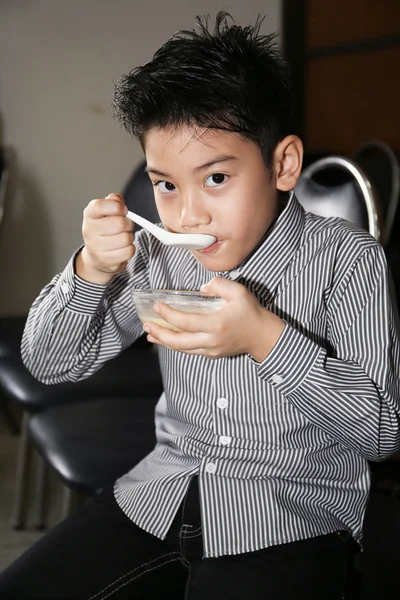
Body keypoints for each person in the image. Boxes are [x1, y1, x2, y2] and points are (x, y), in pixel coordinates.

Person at [1, 10, 399, 600]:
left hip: (290, 514)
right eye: (166, 184)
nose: (187, 216)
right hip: (155, 493)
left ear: (282, 164)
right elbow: (50, 363)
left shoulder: (349, 260)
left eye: (215, 179)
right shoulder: (163, 258)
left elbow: (383, 433)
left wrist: (266, 339)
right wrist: (90, 268)